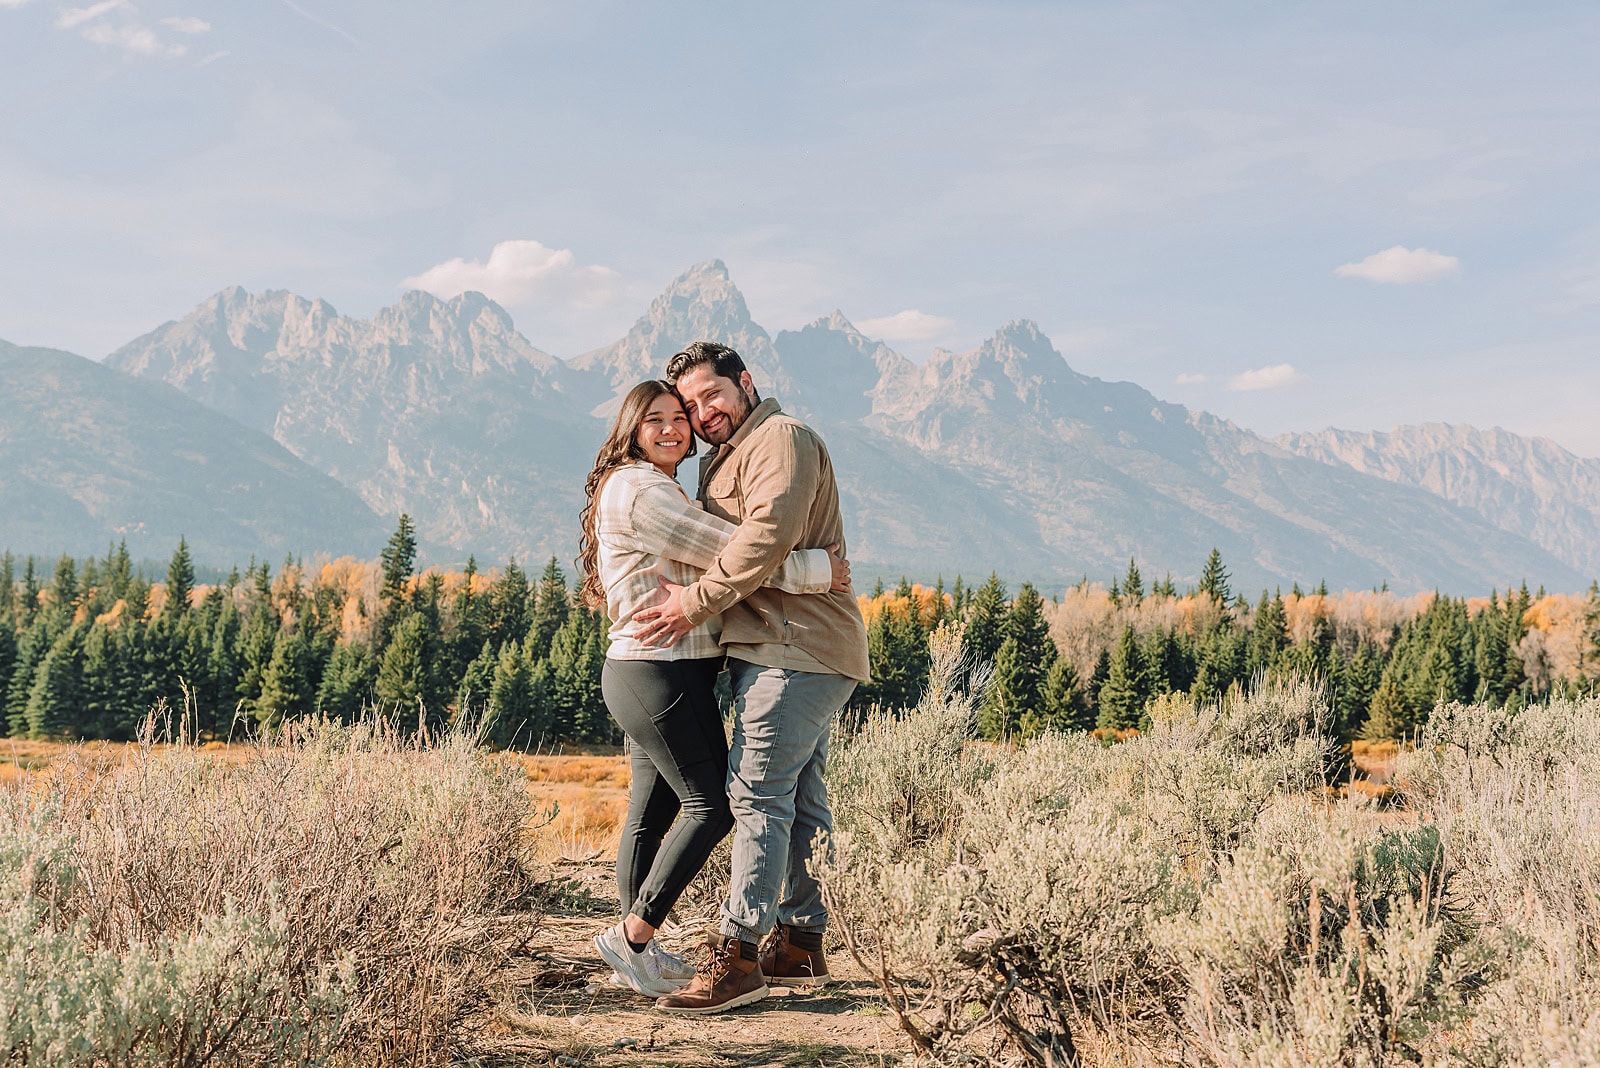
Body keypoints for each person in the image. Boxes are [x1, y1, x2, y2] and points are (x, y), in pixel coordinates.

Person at [577, 379, 851, 999]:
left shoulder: (653, 486)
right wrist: (819, 569)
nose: (679, 426)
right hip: (661, 669)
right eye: (659, 419)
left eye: (684, 415)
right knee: (714, 804)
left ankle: (636, 951)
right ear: (631, 430)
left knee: (651, 813)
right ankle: (634, 936)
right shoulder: (644, 493)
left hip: (647, 669)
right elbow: (736, 551)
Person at [635, 341, 870, 1015]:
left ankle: (737, 957)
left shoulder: (781, 439)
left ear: (745, 383)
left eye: (713, 396)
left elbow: (764, 537)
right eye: (691, 405)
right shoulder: (725, 459)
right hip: (781, 648)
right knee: (797, 801)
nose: (702, 413)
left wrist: (690, 603)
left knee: (755, 797)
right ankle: (799, 942)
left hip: (794, 648)